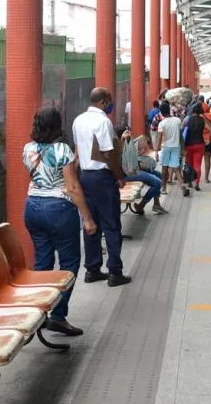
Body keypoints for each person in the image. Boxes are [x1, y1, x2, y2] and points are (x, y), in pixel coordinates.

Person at [23, 106, 97, 336]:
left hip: (32, 207)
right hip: (58, 209)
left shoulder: (28, 148)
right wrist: (87, 218)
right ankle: (57, 315)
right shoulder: (62, 150)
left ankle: (37, 314)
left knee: (42, 263)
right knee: (69, 263)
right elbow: (73, 187)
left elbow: (36, 176)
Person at [71, 87, 132, 287]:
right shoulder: (103, 121)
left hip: (85, 177)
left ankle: (92, 270)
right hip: (103, 178)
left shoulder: (78, 120)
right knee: (112, 225)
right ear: (104, 102)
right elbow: (108, 154)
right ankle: (115, 272)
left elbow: (78, 151)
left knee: (90, 223)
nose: (111, 105)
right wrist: (119, 176)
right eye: (110, 101)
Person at [116, 125, 167, 216]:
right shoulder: (118, 145)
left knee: (159, 175)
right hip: (127, 174)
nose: (130, 134)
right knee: (158, 182)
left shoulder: (127, 142)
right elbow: (124, 164)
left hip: (132, 170)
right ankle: (141, 205)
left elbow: (131, 159)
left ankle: (156, 204)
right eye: (128, 132)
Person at [157, 100, 183, 196]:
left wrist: (157, 150)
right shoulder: (178, 120)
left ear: (161, 112)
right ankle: (183, 187)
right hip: (176, 146)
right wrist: (182, 148)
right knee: (176, 167)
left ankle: (164, 188)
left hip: (166, 147)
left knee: (164, 168)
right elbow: (180, 135)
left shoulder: (162, 123)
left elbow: (159, 138)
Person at [182, 104, 208, 192]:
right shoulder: (202, 120)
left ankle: (189, 183)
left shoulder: (187, 119)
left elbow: (183, 131)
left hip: (189, 145)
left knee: (190, 165)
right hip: (199, 145)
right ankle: (197, 183)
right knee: (197, 165)